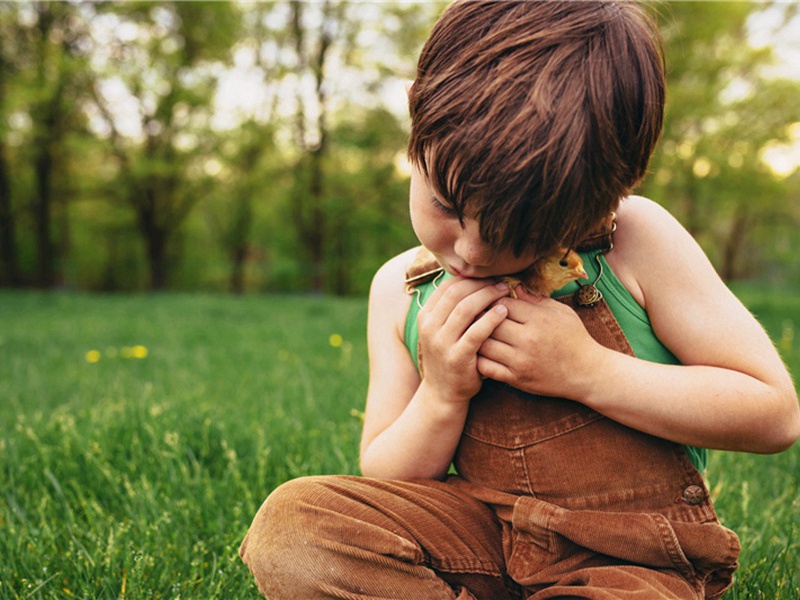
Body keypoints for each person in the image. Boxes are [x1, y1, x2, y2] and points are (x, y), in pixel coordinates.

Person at [239, 2, 800, 598]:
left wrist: (589, 372)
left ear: (604, 200)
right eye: (448, 207)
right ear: (415, 120)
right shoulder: (399, 290)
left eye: (518, 232)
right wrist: (441, 392)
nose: (472, 252)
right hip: (481, 536)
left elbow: (772, 414)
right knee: (294, 528)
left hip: (633, 556)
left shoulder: (633, 242)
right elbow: (390, 473)